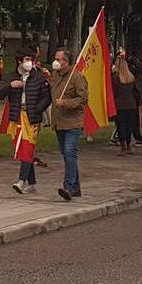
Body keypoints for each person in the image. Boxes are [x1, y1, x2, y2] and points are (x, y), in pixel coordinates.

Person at [0, 49, 50, 192]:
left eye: (31, 59)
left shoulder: (38, 78)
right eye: (26, 59)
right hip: (16, 116)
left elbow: (47, 97)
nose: (29, 62)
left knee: (27, 146)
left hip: (32, 118)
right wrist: (10, 86)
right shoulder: (11, 77)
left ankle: (22, 180)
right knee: (23, 148)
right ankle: (32, 183)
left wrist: (37, 109)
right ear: (19, 61)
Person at [48, 48, 88, 200]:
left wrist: (65, 103)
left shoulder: (76, 77)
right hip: (59, 122)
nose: (55, 62)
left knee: (70, 151)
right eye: (55, 58)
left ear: (66, 62)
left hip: (73, 122)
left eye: (59, 59)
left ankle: (68, 187)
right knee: (66, 155)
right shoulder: (55, 76)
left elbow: (83, 99)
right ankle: (76, 187)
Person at [110, 52, 140, 155]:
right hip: (131, 105)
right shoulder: (131, 77)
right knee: (129, 126)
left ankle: (123, 146)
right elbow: (136, 92)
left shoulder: (115, 78)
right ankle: (128, 144)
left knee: (120, 126)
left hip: (119, 105)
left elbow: (113, 92)